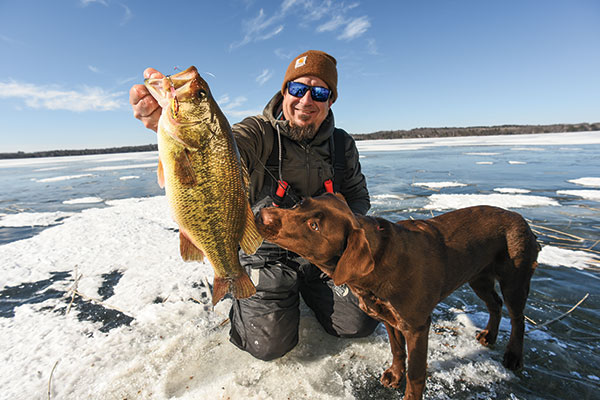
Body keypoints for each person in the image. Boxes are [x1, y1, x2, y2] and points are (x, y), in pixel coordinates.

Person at [129, 50, 379, 360]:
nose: (306, 100)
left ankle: (307, 293)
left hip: (321, 255)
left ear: (330, 100)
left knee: (357, 323)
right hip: (266, 253)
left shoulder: (342, 145)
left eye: (320, 92)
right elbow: (226, 144)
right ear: (284, 91)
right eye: (298, 89)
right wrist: (166, 128)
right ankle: (246, 299)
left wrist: (346, 228)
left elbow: (359, 197)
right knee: (269, 346)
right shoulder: (257, 132)